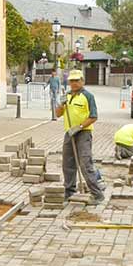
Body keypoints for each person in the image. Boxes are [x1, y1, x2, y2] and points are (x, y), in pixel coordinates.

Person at [56, 70, 105, 204]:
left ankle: (97, 194)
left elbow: (94, 116)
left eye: (77, 80)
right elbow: (58, 114)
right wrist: (61, 104)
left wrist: (80, 127)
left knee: (85, 164)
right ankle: (69, 192)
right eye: (72, 81)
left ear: (82, 81)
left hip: (83, 133)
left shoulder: (88, 96)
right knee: (68, 163)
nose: (74, 83)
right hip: (69, 133)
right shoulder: (67, 96)